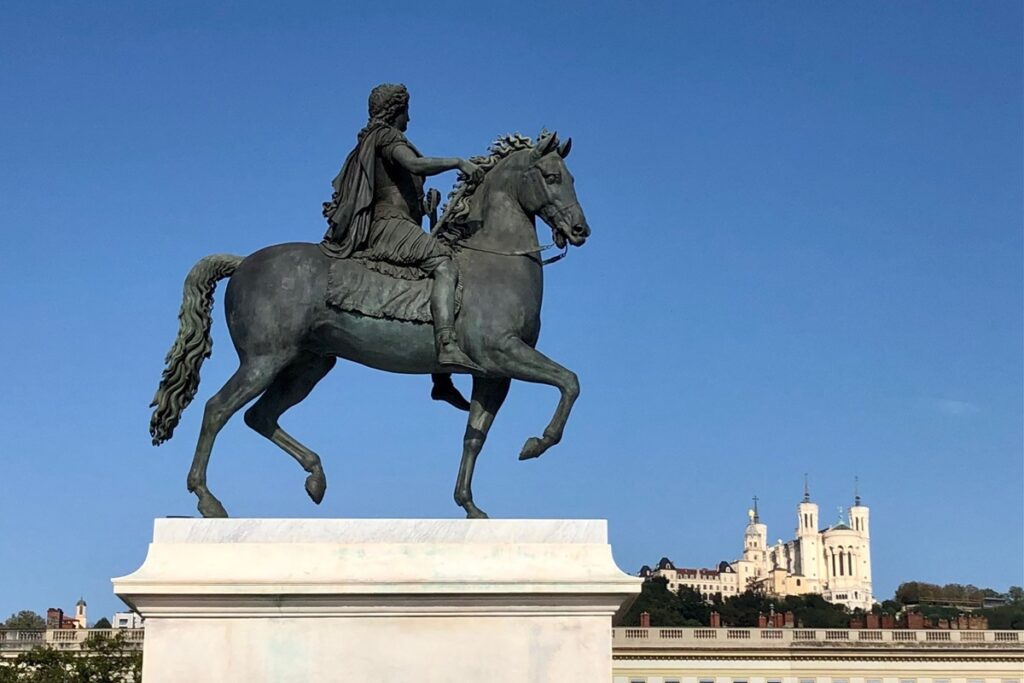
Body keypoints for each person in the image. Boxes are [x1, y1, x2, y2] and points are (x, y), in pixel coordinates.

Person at [321, 83, 483, 406]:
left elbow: (401, 193)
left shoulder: (375, 139)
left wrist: (427, 207)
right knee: (444, 263)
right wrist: (457, 163)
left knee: (429, 276)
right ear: (396, 110)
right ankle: (447, 344)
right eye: (406, 110)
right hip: (387, 227)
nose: (409, 117)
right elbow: (414, 166)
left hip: (399, 222)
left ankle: (441, 379)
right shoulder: (385, 137)